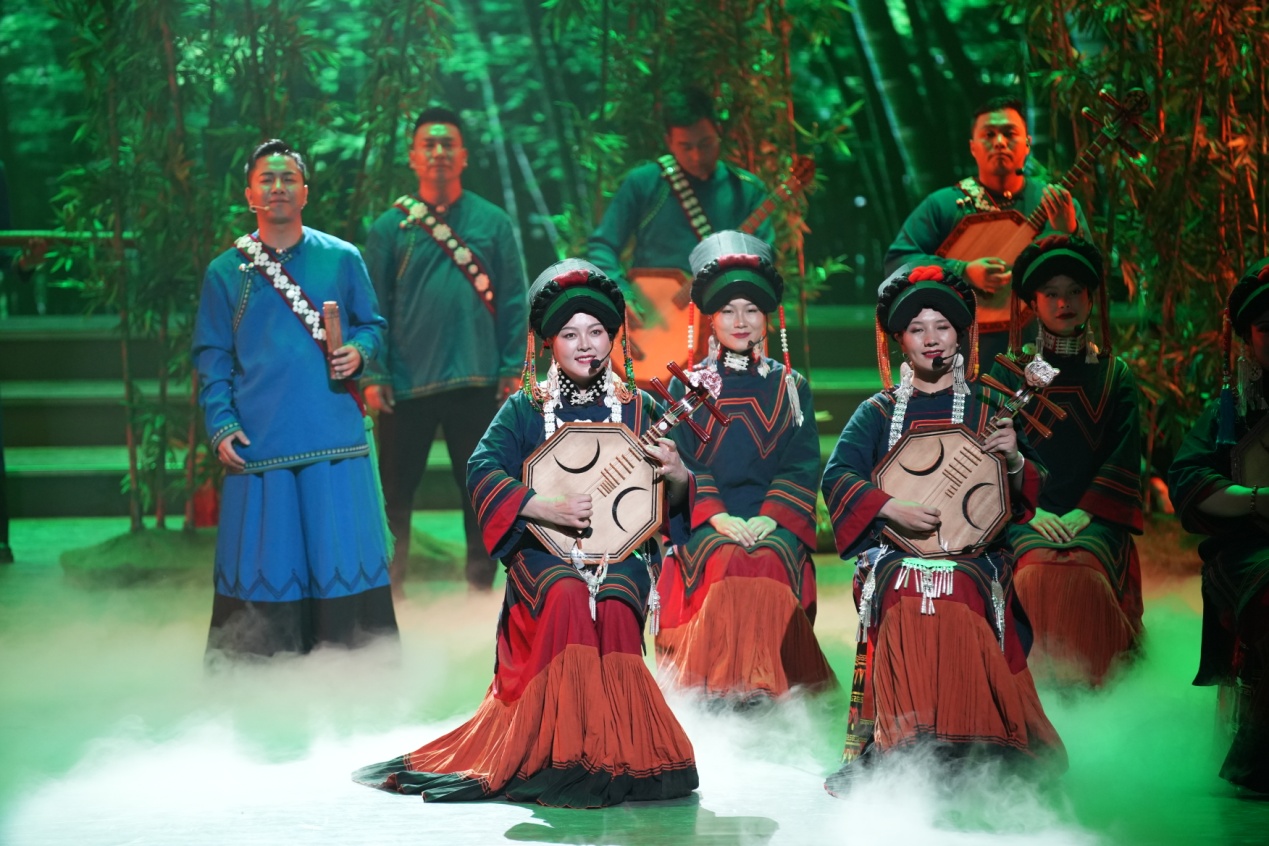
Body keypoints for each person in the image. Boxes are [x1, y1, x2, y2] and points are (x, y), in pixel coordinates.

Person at [353, 260, 699, 807]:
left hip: (621, 554)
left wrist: (678, 474)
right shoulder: (525, 407)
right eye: (570, 334)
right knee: (565, 595)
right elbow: (482, 468)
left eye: (596, 332)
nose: (585, 345)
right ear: (549, 343)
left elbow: (671, 501)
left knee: (614, 604)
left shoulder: (639, 406)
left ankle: (621, 749)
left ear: (613, 337)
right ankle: (558, 751)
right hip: (544, 550)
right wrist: (541, 505)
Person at [821, 265, 1065, 792]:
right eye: (917, 329)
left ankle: (975, 742)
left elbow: (1025, 494)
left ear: (961, 336)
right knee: (906, 585)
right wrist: (890, 507)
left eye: (943, 327)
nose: (931, 339)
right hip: (896, 551)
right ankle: (902, 744)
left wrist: (1014, 459)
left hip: (974, 555)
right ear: (900, 341)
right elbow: (837, 477)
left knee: (957, 586)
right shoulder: (877, 412)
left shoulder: (989, 406)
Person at [192, 139, 397, 659]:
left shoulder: (342, 258)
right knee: (267, 560)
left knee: (339, 554)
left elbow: (372, 325)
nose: (278, 187)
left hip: (334, 435)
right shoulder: (224, 272)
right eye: (267, 179)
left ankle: (354, 669)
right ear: (249, 194)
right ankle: (258, 673)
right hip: (261, 441)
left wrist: (359, 352)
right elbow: (212, 357)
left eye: (289, 178)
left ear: (305, 192)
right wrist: (220, 422)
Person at [654, 231, 835, 701]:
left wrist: (769, 517)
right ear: (710, 318)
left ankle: (766, 685)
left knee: (768, 557)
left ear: (767, 318)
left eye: (751, 310)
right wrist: (718, 516)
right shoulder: (686, 387)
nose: (740, 321)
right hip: (704, 520)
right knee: (727, 557)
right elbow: (681, 462)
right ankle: (718, 687)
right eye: (728, 310)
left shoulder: (790, 385)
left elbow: (800, 464)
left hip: (771, 519)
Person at [363, 106, 528, 595]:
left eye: (447, 144)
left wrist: (512, 367)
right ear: (413, 157)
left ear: (464, 156)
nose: (438, 152)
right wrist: (375, 373)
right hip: (405, 384)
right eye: (428, 145)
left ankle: (480, 590)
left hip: (479, 378)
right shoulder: (388, 229)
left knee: (482, 489)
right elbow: (371, 307)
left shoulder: (493, 222)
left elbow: (514, 300)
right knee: (394, 493)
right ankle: (389, 592)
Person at [988, 235, 1143, 685]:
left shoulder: (1115, 375)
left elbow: (1123, 455)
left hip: (1093, 517)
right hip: (1023, 515)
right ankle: (1027, 688)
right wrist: (1030, 513)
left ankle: (1100, 687)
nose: (1064, 303)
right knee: (1035, 570)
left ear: (1091, 299)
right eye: (1051, 293)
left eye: (1075, 291)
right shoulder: (1008, 372)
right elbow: (989, 455)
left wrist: (1084, 512)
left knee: (1083, 571)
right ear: (1032, 304)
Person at [884, 96, 1088, 364]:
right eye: (989, 135)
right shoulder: (943, 205)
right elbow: (897, 262)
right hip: (962, 357)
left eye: (1009, 133)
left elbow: (1091, 279)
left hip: (1045, 353)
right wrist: (963, 271)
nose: (1000, 142)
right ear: (973, 147)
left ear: (1027, 143)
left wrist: (1068, 232)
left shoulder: (1057, 205)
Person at [587, 88, 772, 379]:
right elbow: (602, 246)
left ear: (718, 131)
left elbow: (764, 268)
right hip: (651, 333)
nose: (697, 155)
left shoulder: (748, 191)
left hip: (722, 337)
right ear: (669, 142)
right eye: (685, 146)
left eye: (705, 143)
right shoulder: (645, 183)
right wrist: (620, 293)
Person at [1169, 257, 1269, 794]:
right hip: (1249, 554)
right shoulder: (1231, 411)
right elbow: (1189, 479)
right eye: (1268, 328)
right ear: (1249, 338)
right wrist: (1255, 500)